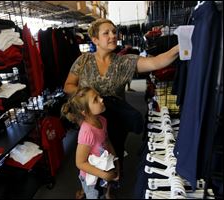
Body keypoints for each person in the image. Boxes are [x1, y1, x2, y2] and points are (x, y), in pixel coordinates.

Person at [63, 18, 179, 172]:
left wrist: (180, 46)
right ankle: (89, 186)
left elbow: (157, 62)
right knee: (90, 155)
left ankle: (111, 186)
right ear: (95, 39)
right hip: (90, 120)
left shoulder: (124, 62)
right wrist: (89, 96)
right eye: (106, 33)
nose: (113, 35)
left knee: (115, 151)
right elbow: (68, 86)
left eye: (114, 32)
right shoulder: (83, 61)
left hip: (116, 119)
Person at [61, 87, 120, 199]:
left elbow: (106, 141)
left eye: (99, 96)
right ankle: (85, 191)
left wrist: (116, 162)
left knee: (105, 187)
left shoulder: (102, 120)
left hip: (102, 165)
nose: (102, 99)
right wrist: (104, 175)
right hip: (91, 176)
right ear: (84, 111)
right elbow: (80, 163)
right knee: (94, 195)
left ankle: (106, 194)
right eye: (95, 99)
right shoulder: (87, 132)